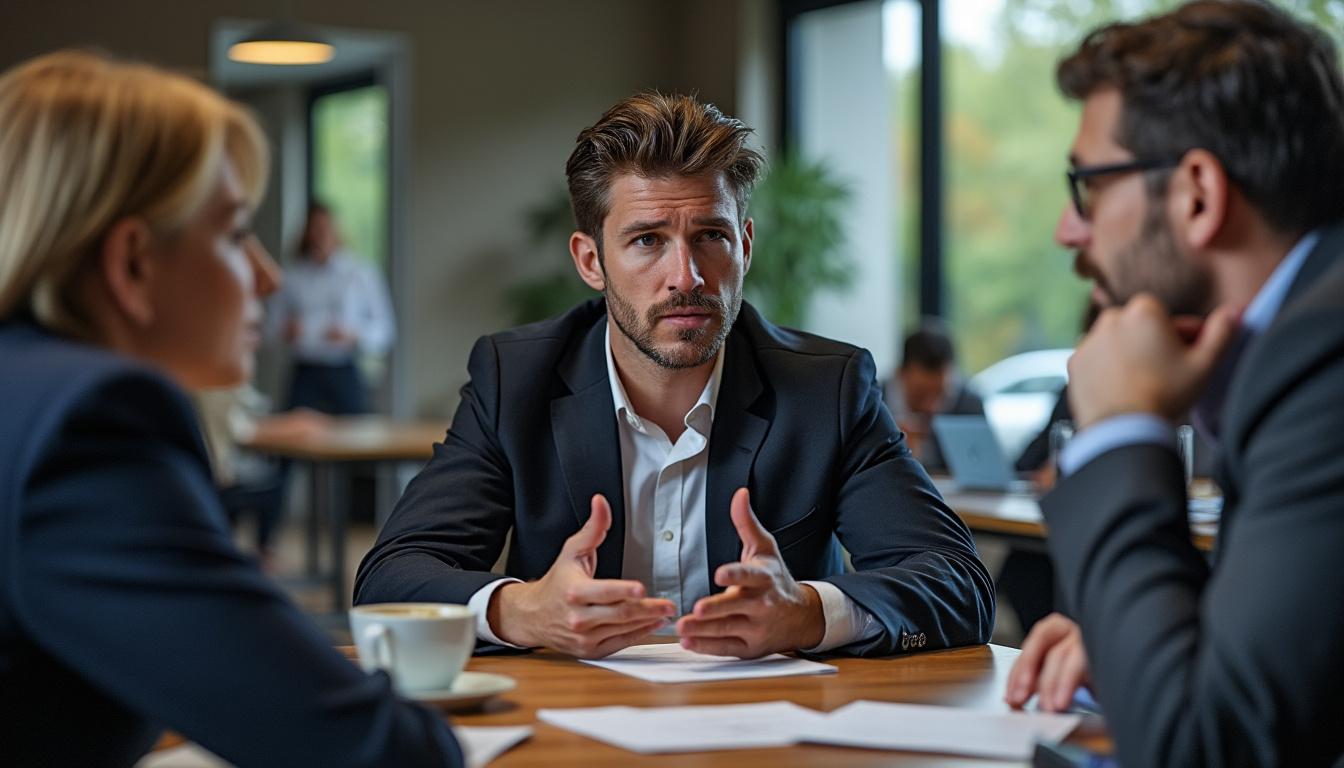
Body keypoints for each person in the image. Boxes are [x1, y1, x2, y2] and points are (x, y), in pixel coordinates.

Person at [356, 92, 994, 660]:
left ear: (745, 245)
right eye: (646, 240)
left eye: (711, 236)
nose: (686, 275)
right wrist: (522, 611)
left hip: (774, 732)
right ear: (591, 260)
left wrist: (805, 612)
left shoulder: (827, 389)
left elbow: (958, 583)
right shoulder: (514, 378)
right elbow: (391, 579)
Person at [0, 52, 460, 766]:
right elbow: (378, 751)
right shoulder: (89, 420)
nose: (267, 279)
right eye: (236, 233)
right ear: (132, 266)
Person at [1003, 2, 1344, 765]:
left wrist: (1124, 425)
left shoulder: (1322, 358)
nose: (1069, 227)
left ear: (1196, 193)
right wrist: (1145, 642)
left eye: (1089, 183)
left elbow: (1209, 748)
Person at [270, 202, 395, 414]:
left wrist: (354, 335)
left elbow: (385, 331)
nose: (321, 234)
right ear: (307, 232)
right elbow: (269, 326)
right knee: (291, 439)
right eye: (315, 228)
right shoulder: (291, 275)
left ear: (337, 230)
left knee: (356, 437)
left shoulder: (360, 273)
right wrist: (286, 329)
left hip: (343, 369)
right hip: (304, 372)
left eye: (326, 227)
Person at [883, 322, 985, 473]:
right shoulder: (871, 403)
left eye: (940, 394)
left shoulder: (968, 404)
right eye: (921, 394)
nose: (930, 406)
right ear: (900, 375)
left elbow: (982, 467)